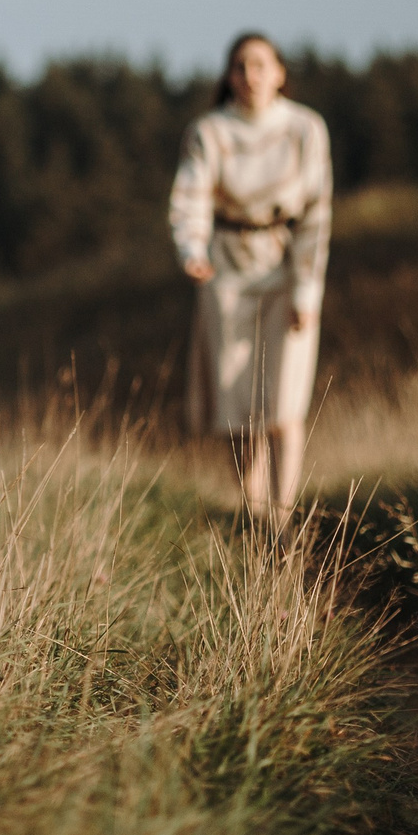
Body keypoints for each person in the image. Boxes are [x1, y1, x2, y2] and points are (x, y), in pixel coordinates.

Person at [168, 32, 333, 526]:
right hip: (227, 272)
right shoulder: (209, 131)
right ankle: (255, 510)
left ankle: (283, 517)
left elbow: (316, 215)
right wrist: (192, 249)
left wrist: (307, 290)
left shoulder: (305, 129)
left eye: (261, 65)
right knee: (238, 406)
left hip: (287, 268)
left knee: (284, 403)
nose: (251, 75)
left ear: (280, 72)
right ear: (229, 76)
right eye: (241, 66)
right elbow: (191, 195)